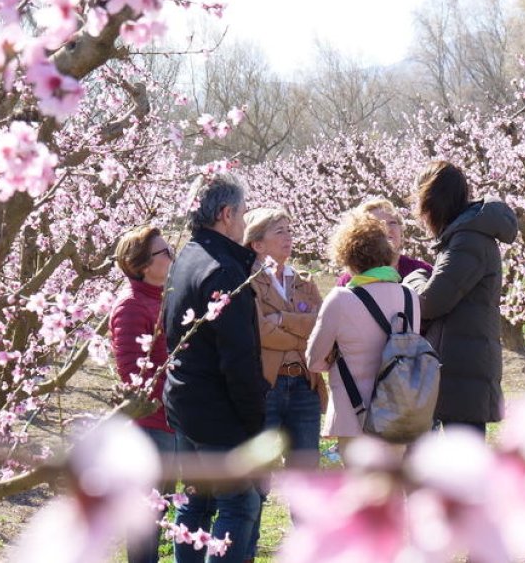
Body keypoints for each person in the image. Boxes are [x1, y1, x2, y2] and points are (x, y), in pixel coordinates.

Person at [162, 172, 266, 563]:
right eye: (242, 212)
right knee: (239, 504)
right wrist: (255, 423)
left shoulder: (187, 255)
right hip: (218, 412)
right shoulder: (223, 270)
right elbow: (238, 359)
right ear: (225, 214)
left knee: (196, 503)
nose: (244, 220)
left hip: (187, 403)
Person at [403, 160, 518, 437]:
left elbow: (431, 302)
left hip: (463, 369)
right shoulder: (465, 235)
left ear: (433, 201)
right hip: (463, 364)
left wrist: (414, 278)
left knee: (465, 465)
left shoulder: (468, 239)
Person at [241, 208, 324, 561]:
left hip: (304, 386)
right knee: (257, 478)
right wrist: (296, 332)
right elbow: (257, 330)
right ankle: (247, 549)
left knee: (306, 477)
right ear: (257, 242)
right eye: (279, 231)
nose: (289, 237)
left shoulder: (304, 281)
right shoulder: (247, 282)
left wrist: (283, 321)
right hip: (268, 387)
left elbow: (320, 327)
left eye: (290, 229)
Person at [306, 211, 421, 446]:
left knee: (360, 483)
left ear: (347, 256)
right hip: (399, 413)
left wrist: (337, 357)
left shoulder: (341, 299)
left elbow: (314, 361)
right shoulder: (410, 297)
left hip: (354, 414)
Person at [109, 225, 175, 563]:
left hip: (173, 422)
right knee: (146, 523)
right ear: (144, 265)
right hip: (152, 425)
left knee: (160, 515)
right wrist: (174, 395)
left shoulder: (165, 296)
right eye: (165, 251)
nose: (172, 255)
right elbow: (132, 373)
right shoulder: (132, 306)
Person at [335, 198, 432, 286]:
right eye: (377, 223)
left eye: (392, 222)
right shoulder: (349, 281)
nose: (387, 229)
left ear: (401, 229)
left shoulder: (422, 271)